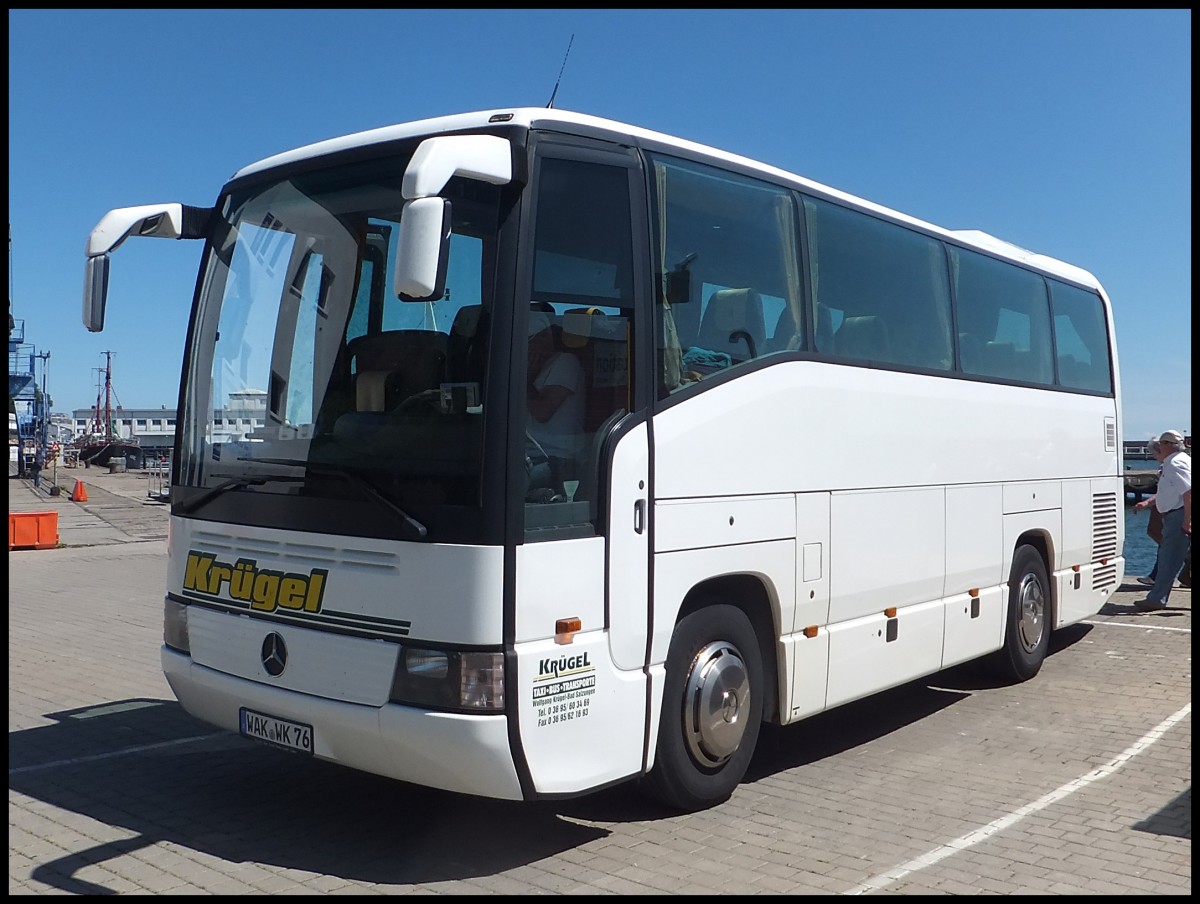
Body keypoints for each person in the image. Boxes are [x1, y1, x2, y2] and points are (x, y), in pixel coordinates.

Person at [526, 308, 585, 497]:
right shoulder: (536, 369)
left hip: (554, 458)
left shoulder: (565, 363)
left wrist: (524, 380)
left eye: (529, 342)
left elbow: (543, 412)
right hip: (529, 453)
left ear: (544, 338)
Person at [1132, 430, 1191, 611]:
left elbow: (1188, 492)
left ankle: (1157, 598)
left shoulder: (1175, 464)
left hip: (1178, 515)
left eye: (1160, 445)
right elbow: (1172, 491)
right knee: (1174, 557)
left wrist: (1187, 521)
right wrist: (1149, 502)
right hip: (1177, 512)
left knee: (1168, 558)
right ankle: (1159, 596)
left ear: (1166, 445)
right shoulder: (1176, 462)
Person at [1136, 440, 1165, 586]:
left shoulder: (1168, 466)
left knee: (1166, 545)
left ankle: (1156, 577)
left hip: (1170, 510)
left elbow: (1168, 492)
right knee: (1169, 545)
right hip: (1170, 508)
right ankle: (1185, 576)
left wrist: (1148, 502)